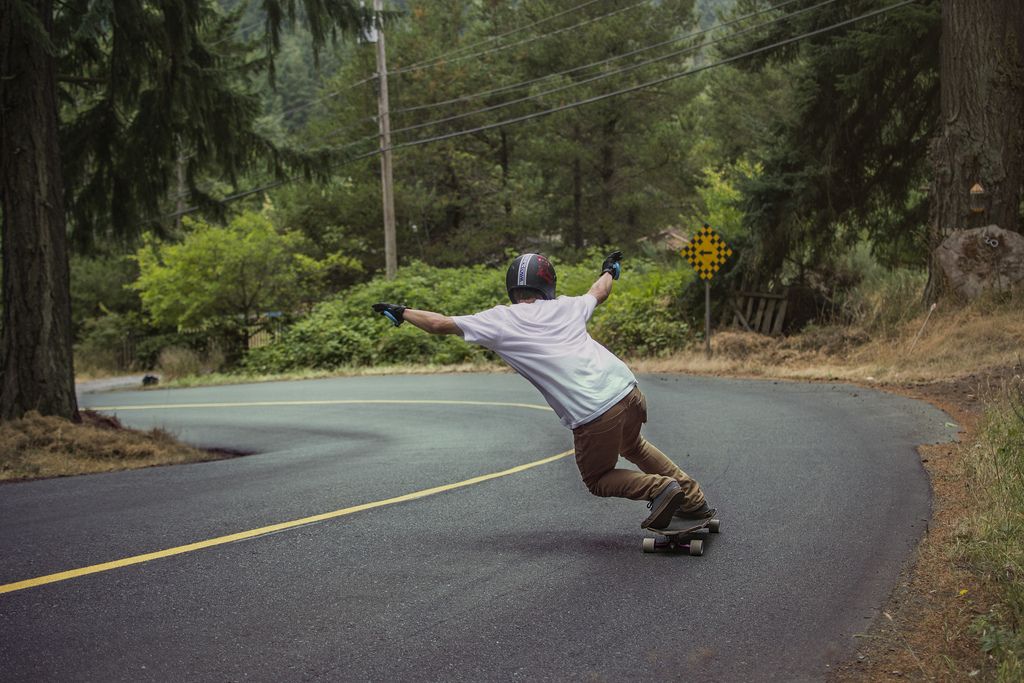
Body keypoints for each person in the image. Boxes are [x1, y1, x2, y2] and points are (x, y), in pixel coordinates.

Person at [371, 252, 713, 529]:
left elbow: (437, 324)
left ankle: (660, 489)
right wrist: (610, 269)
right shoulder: (567, 306)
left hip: (594, 412)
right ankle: (693, 500)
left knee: (599, 478)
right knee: (633, 444)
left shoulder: (499, 320)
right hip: (628, 389)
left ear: (512, 287)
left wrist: (402, 312)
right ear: (548, 284)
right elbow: (600, 291)